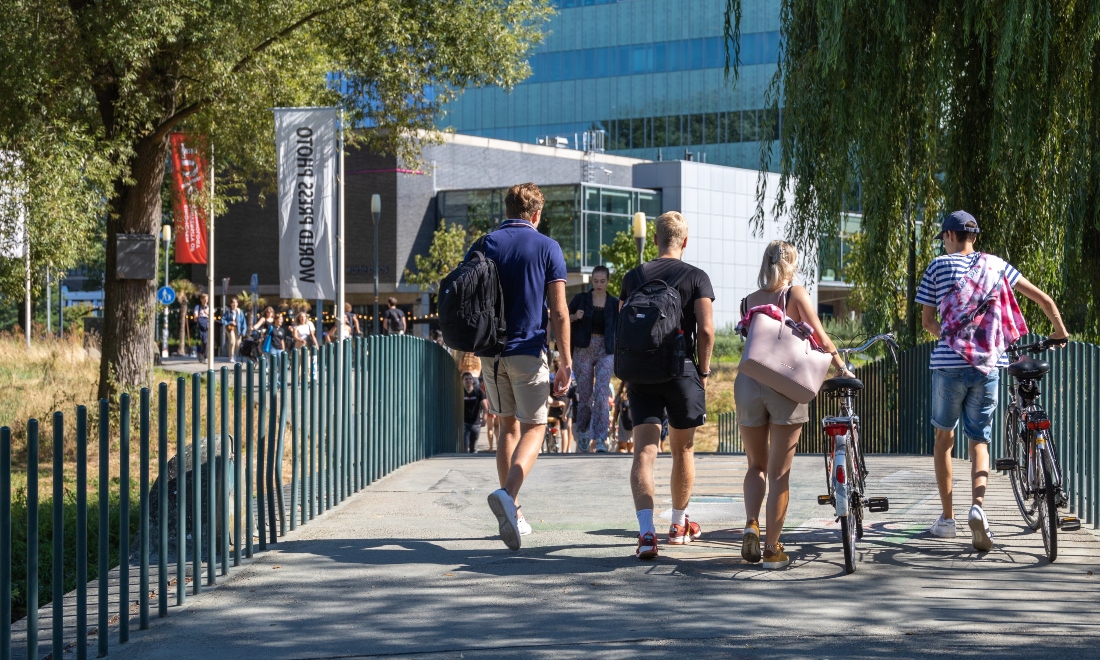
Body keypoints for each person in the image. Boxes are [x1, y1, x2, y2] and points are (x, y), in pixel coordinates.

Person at [916, 210, 1069, 551]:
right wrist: (1060, 332)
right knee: (980, 441)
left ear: (951, 236)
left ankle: (947, 519)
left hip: (947, 365)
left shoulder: (937, 267)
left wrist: (957, 338)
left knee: (944, 437)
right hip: (989, 365)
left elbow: (928, 321)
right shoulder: (998, 265)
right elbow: (1043, 299)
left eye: (943, 236)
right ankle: (978, 509)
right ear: (973, 236)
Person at [735, 240, 852, 570]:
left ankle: (751, 525)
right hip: (784, 384)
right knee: (779, 474)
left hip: (747, 382)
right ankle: (772, 550)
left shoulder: (748, 301)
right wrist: (842, 368)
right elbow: (822, 338)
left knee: (755, 466)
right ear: (790, 265)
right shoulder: (795, 294)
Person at [477, 183, 571, 551]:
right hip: (527, 351)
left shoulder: (486, 243)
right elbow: (560, 311)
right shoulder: (547, 247)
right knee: (536, 426)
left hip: (491, 352)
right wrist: (565, 361)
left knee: (506, 426)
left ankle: (512, 512)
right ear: (535, 214)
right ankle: (507, 494)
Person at [621, 211, 714, 560]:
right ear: (684, 241)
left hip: (641, 374)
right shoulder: (696, 277)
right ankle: (677, 525)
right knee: (682, 450)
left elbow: (622, 330)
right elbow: (705, 330)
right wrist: (702, 372)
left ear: (656, 238)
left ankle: (647, 535)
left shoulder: (634, 277)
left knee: (644, 450)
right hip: (680, 372)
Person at [568, 265, 619, 453]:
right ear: (591, 281)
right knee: (585, 395)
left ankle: (600, 438)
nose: (599, 284)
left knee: (602, 392)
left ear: (608, 281)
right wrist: (574, 316)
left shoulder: (614, 303)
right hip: (584, 349)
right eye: (596, 281)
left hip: (606, 349)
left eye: (602, 281)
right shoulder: (581, 299)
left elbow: (620, 327)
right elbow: (563, 318)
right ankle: (582, 433)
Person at [463, 372, 488, 453]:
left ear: (473, 380)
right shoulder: (460, 393)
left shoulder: (478, 392)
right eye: (466, 379)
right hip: (464, 423)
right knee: (465, 447)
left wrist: (484, 419)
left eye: (470, 379)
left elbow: (485, 407)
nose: (468, 380)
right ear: (462, 381)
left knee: (473, 448)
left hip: (476, 424)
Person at [223, 297, 246, 363]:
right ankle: (231, 356)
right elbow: (223, 320)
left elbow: (243, 322)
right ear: (231, 304)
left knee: (238, 344)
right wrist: (230, 322)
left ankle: (234, 353)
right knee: (232, 342)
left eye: (236, 302)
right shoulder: (228, 311)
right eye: (233, 302)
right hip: (230, 328)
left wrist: (243, 331)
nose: (234, 304)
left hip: (238, 329)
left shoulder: (240, 312)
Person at [612, 383, 633, 453]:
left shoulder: (619, 397)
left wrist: (613, 425)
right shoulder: (634, 396)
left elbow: (615, 413)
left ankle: (623, 462)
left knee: (622, 447)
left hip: (623, 425)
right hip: (633, 424)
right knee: (631, 449)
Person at [194, 293, 210, 360]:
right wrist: (196, 317)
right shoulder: (198, 307)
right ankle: (201, 353)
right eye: (204, 299)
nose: (205, 301)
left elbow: (212, 317)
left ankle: (205, 356)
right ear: (201, 300)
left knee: (206, 341)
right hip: (200, 325)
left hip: (207, 325)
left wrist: (207, 313)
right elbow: (195, 317)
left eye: (206, 299)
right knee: (203, 341)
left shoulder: (209, 308)